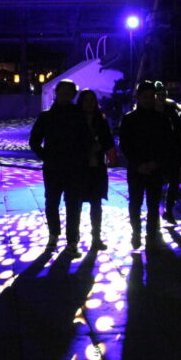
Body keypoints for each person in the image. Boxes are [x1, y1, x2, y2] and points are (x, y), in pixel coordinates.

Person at [29, 79, 93, 256]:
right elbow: (34, 141)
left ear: (73, 94)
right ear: (56, 92)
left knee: (73, 205)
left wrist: (81, 159)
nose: (65, 94)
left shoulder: (79, 115)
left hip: (74, 168)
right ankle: (54, 235)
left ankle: (72, 240)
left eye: (69, 91)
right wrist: (47, 157)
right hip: (53, 168)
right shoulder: (46, 116)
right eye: (62, 91)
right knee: (52, 203)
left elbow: (87, 140)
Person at [118, 80, 173, 250]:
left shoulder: (162, 119)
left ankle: (150, 235)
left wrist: (156, 163)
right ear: (138, 97)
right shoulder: (129, 119)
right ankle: (136, 232)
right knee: (135, 203)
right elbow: (125, 145)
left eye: (151, 96)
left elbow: (167, 144)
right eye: (145, 97)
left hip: (154, 168)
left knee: (153, 204)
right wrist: (137, 163)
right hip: (137, 168)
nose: (148, 100)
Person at [76, 88, 116, 250]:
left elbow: (108, 141)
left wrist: (101, 146)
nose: (89, 103)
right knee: (76, 204)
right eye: (86, 100)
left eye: (92, 100)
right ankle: (74, 238)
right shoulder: (75, 120)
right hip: (80, 168)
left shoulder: (101, 120)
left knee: (96, 203)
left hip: (97, 167)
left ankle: (96, 237)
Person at [154, 81, 181, 224]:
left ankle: (168, 209)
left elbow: (179, 134)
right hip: (156, 153)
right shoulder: (149, 112)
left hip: (172, 151)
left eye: (163, 95)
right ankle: (156, 212)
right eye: (158, 95)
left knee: (173, 182)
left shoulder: (172, 112)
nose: (161, 97)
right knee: (156, 184)